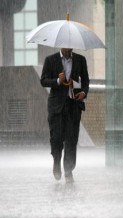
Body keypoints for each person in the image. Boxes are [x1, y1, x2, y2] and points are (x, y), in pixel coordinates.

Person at [41, 48, 90, 183]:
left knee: (71, 140)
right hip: (57, 107)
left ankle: (68, 171)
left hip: (73, 105)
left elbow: (86, 81)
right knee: (56, 138)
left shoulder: (80, 60)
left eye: (71, 45)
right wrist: (57, 80)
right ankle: (56, 161)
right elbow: (43, 80)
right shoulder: (51, 60)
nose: (69, 48)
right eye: (66, 45)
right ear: (61, 45)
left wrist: (84, 93)